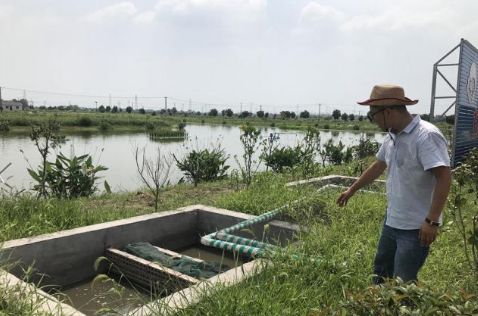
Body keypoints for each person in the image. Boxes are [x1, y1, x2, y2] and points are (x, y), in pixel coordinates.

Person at [336, 84, 452, 284]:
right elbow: (378, 165)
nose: (373, 122)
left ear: (387, 112)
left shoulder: (426, 136)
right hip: (392, 222)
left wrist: (432, 221)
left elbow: (444, 176)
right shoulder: (392, 136)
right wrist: (351, 190)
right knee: (380, 275)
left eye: (373, 116)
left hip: (416, 228)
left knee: (402, 284)